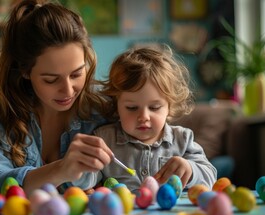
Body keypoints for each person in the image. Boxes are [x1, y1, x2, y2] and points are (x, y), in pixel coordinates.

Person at [0, 0, 113, 195]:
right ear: (25, 71)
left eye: (77, 74)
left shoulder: (104, 106)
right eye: (51, 80)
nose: (68, 90)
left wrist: (169, 155)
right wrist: (60, 170)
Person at [80, 46, 217, 192]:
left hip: (172, 214)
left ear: (169, 107)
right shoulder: (105, 139)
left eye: (154, 107)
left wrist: (190, 170)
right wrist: (81, 170)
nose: (144, 117)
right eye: (132, 108)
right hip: (124, 214)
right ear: (116, 105)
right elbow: (83, 181)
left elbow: (210, 177)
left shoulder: (182, 139)